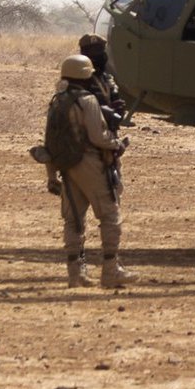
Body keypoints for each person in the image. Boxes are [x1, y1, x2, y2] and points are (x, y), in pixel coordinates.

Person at [52, 52, 133, 290]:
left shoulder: (57, 100)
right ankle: (110, 272)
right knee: (109, 216)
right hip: (90, 163)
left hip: (66, 164)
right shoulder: (87, 100)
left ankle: (75, 274)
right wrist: (116, 144)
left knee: (73, 220)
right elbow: (98, 136)